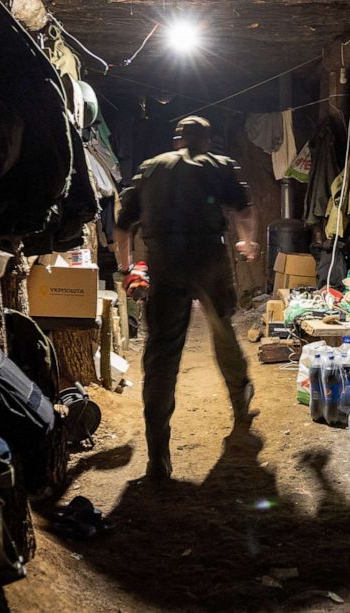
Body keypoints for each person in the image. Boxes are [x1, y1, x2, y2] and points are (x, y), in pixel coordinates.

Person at [114, 116, 260, 480]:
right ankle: (241, 409)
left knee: (162, 353)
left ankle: (158, 454)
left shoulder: (150, 169)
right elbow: (243, 209)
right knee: (223, 332)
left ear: (178, 139)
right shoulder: (220, 165)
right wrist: (246, 240)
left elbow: (122, 224)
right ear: (207, 140)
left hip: (165, 262)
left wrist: (126, 268)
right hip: (208, 258)